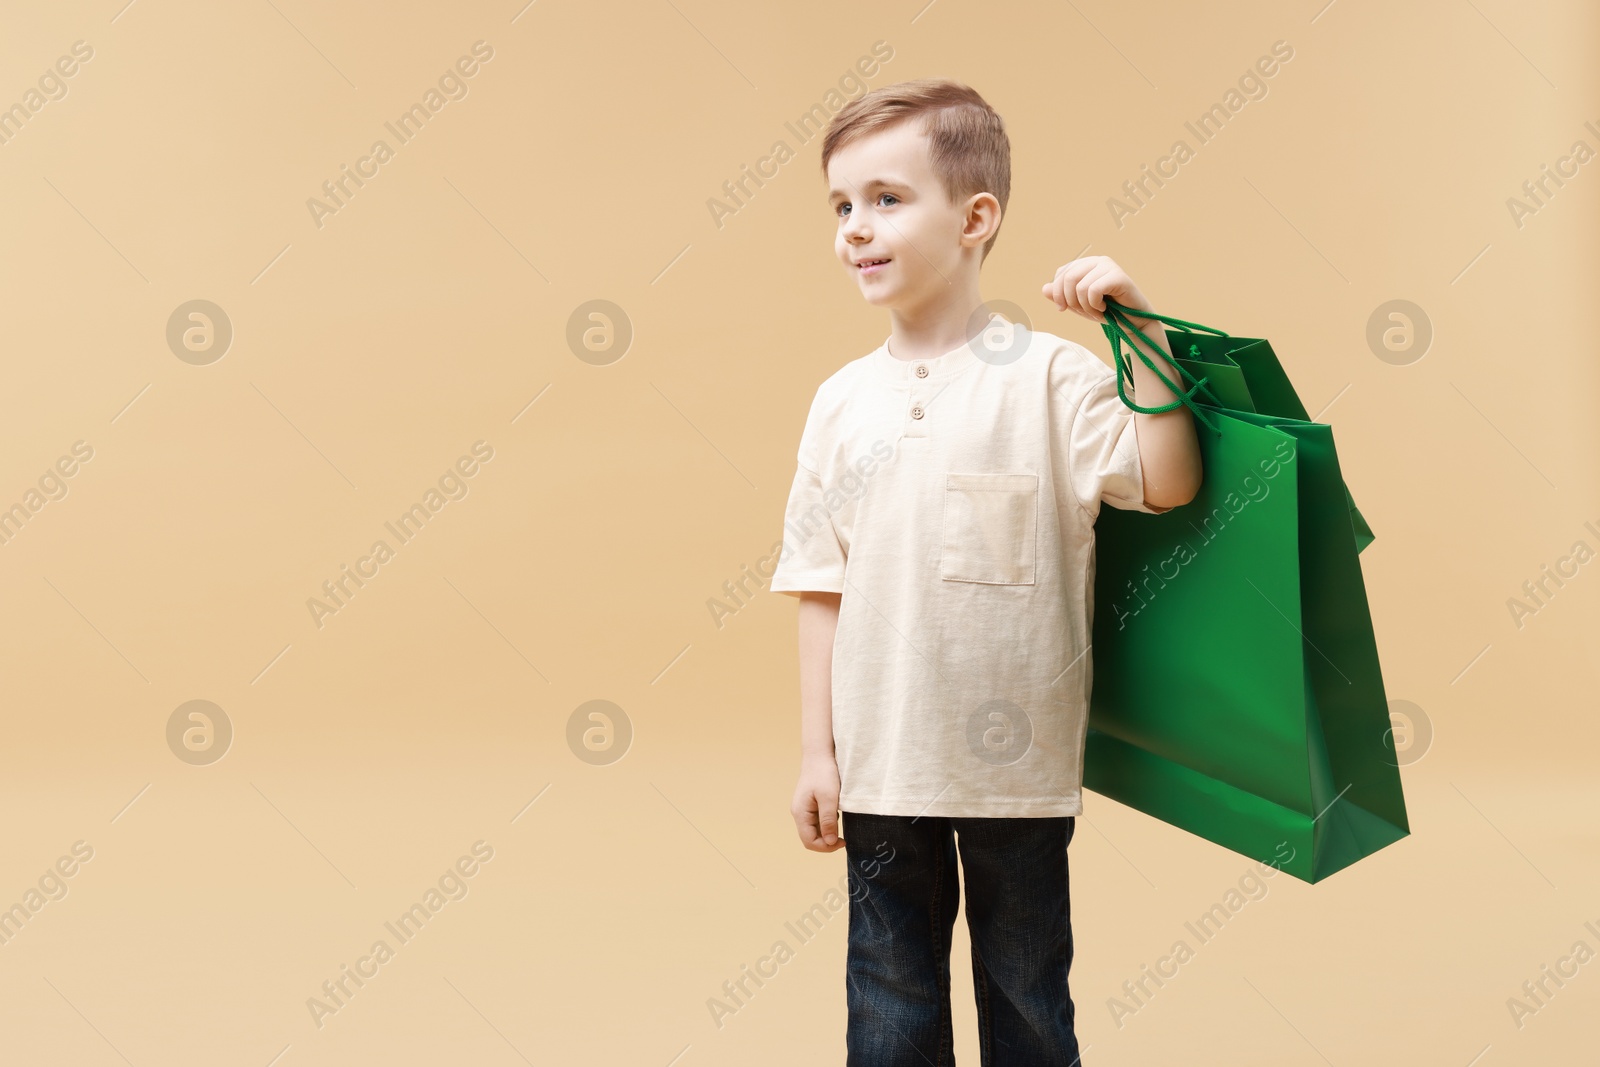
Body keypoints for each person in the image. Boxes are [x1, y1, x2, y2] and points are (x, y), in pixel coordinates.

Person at [768, 78, 1203, 1065]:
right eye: (840, 205)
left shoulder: (1052, 378)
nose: (854, 228)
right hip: (882, 764)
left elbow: (1169, 480)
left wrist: (1137, 323)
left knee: (1029, 999)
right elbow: (818, 583)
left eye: (885, 198)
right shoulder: (839, 403)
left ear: (975, 218)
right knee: (888, 1000)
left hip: (1018, 775)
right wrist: (817, 752)